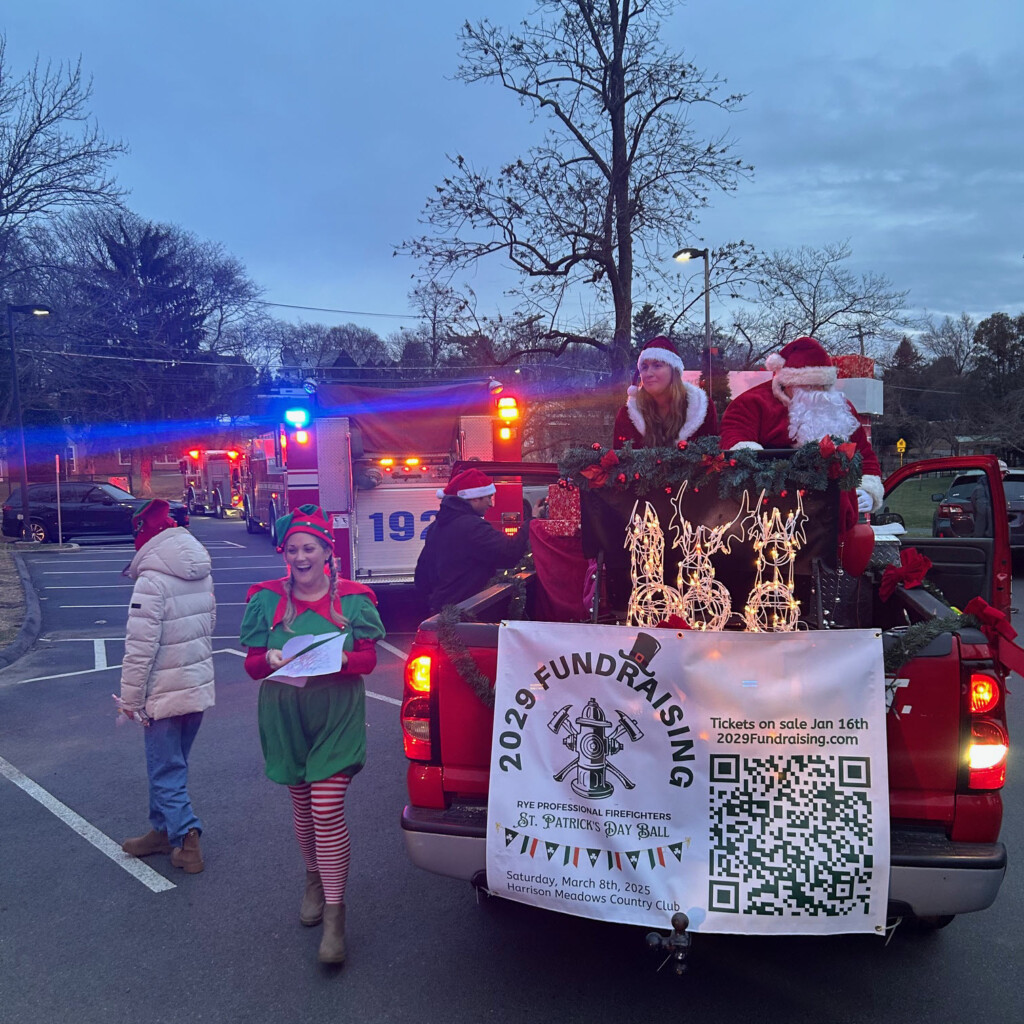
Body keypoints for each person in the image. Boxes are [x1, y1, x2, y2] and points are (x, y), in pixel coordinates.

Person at [239, 504, 385, 966]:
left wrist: (342, 659)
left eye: (310, 548)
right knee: (303, 806)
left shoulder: (356, 601)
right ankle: (313, 880)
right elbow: (251, 666)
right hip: (284, 712)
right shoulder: (266, 600)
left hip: (336, 712)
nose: (300, 557)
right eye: (293, 549)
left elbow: (368, 660)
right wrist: (271, 661)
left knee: (325, 808)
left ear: (327, 552)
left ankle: (335, 920)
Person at [119, 499, 215, 875]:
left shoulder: (151, 580)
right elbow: (207, 625)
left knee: (164, 769)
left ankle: (187, 837)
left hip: (162, 691)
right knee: (173, 764)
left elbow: (140, 648)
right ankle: (161, 830)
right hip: (195, 686)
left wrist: (130, 700)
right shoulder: (200, 572)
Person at [719, 336, 884, 529]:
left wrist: (867, 490)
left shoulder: (840, 408)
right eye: (807, 385)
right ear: (786, 383)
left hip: (830, 519)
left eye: (821, 385)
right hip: (767, 515)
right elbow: (735, 443)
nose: (815, 393)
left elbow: (864, 455)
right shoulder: (752, 403)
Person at [415, 468, 530, 613]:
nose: (491, 504)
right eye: (488, 497)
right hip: (468, 612)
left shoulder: (435, 527)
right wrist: (531, 523)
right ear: (474, 497)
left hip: (441, 612)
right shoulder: (472, 527)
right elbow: (510, 551)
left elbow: (422, 577)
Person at [612, 337, 718, 449]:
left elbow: (712, 459)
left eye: (657, 365)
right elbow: (620, 462)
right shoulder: (628, 414)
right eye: (644, 367)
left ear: (674, 371)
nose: (648, 373)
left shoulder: (701, 409)